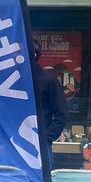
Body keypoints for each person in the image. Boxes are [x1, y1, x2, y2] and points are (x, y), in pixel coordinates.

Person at [33, 38, 68, 167]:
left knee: (42, 181)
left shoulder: (48, 80)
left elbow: (62, 113)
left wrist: (46, 137)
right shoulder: (15, 79)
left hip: (40, 144)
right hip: (17, 142)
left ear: (35, 55)